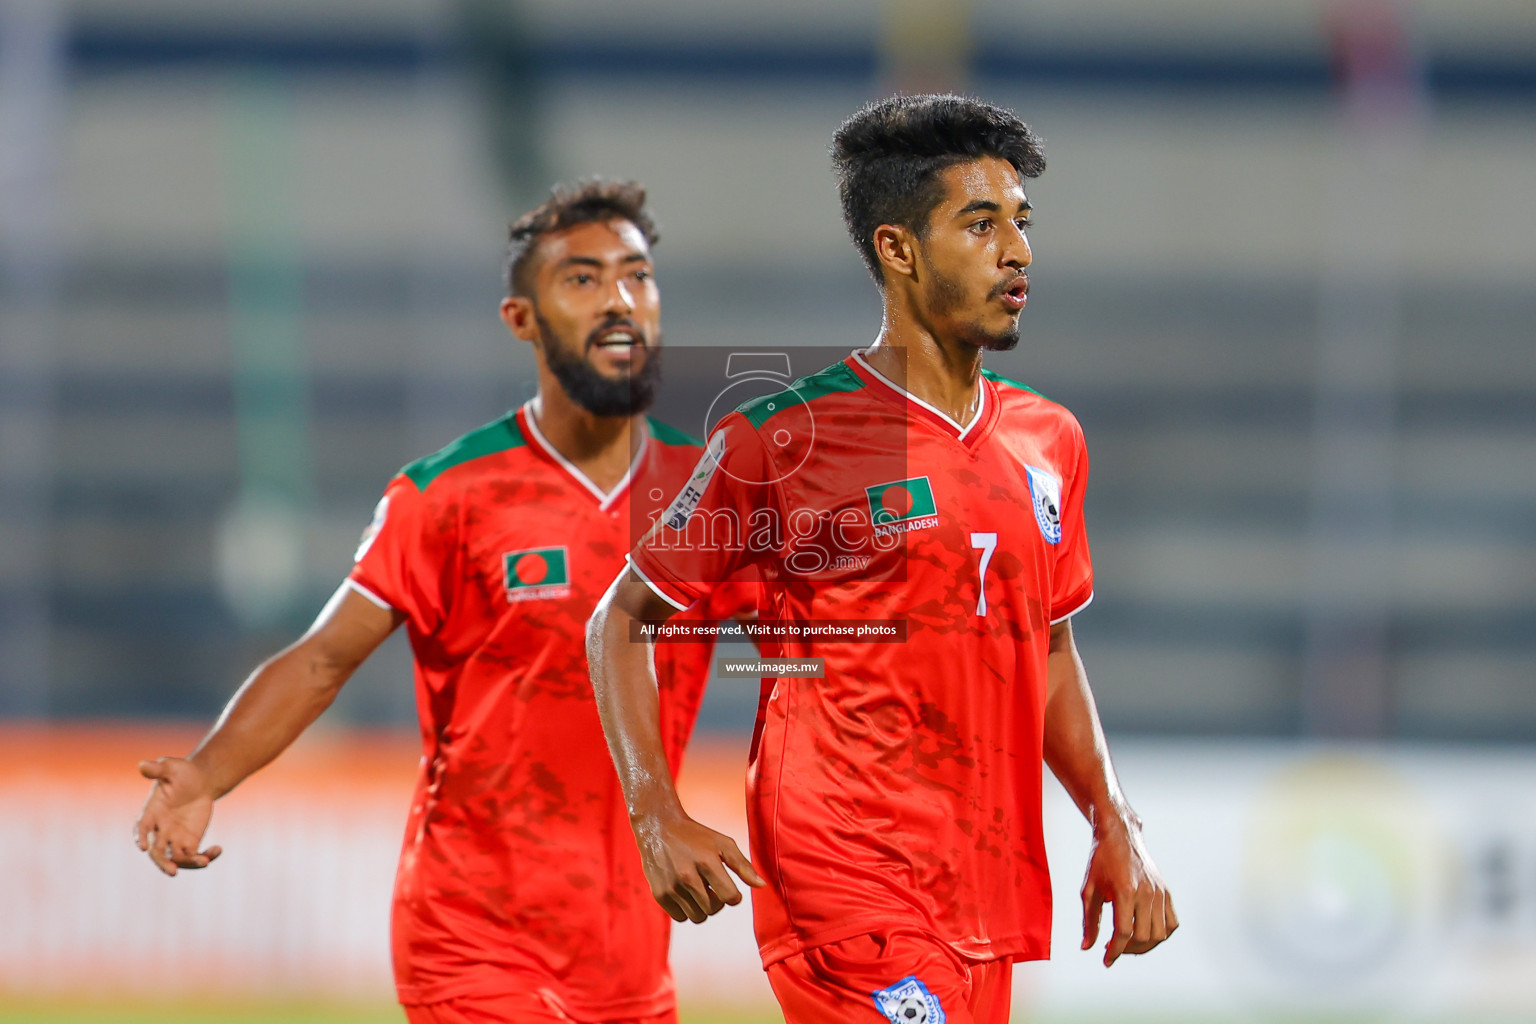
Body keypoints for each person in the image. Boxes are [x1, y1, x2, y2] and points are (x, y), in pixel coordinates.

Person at [586, 95, 1177, 1024]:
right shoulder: (778, 438)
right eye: (980, 225)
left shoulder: (1048, 439)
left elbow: (1050, 648)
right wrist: (655, 811)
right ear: (898, 250)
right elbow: (623, 618)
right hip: (842, 881)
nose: (1018, 251)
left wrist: (1114, 817)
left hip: (985, 894)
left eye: (1022, 224)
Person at [134, 179, 749, 1024]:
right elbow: (323, 657)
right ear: (520, 319)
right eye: (581, 278)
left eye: (637, 276)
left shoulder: (714, 490)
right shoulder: (449, 494)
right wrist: (207, 772)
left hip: (630, 944)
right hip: (473, 935)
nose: (618, 300)